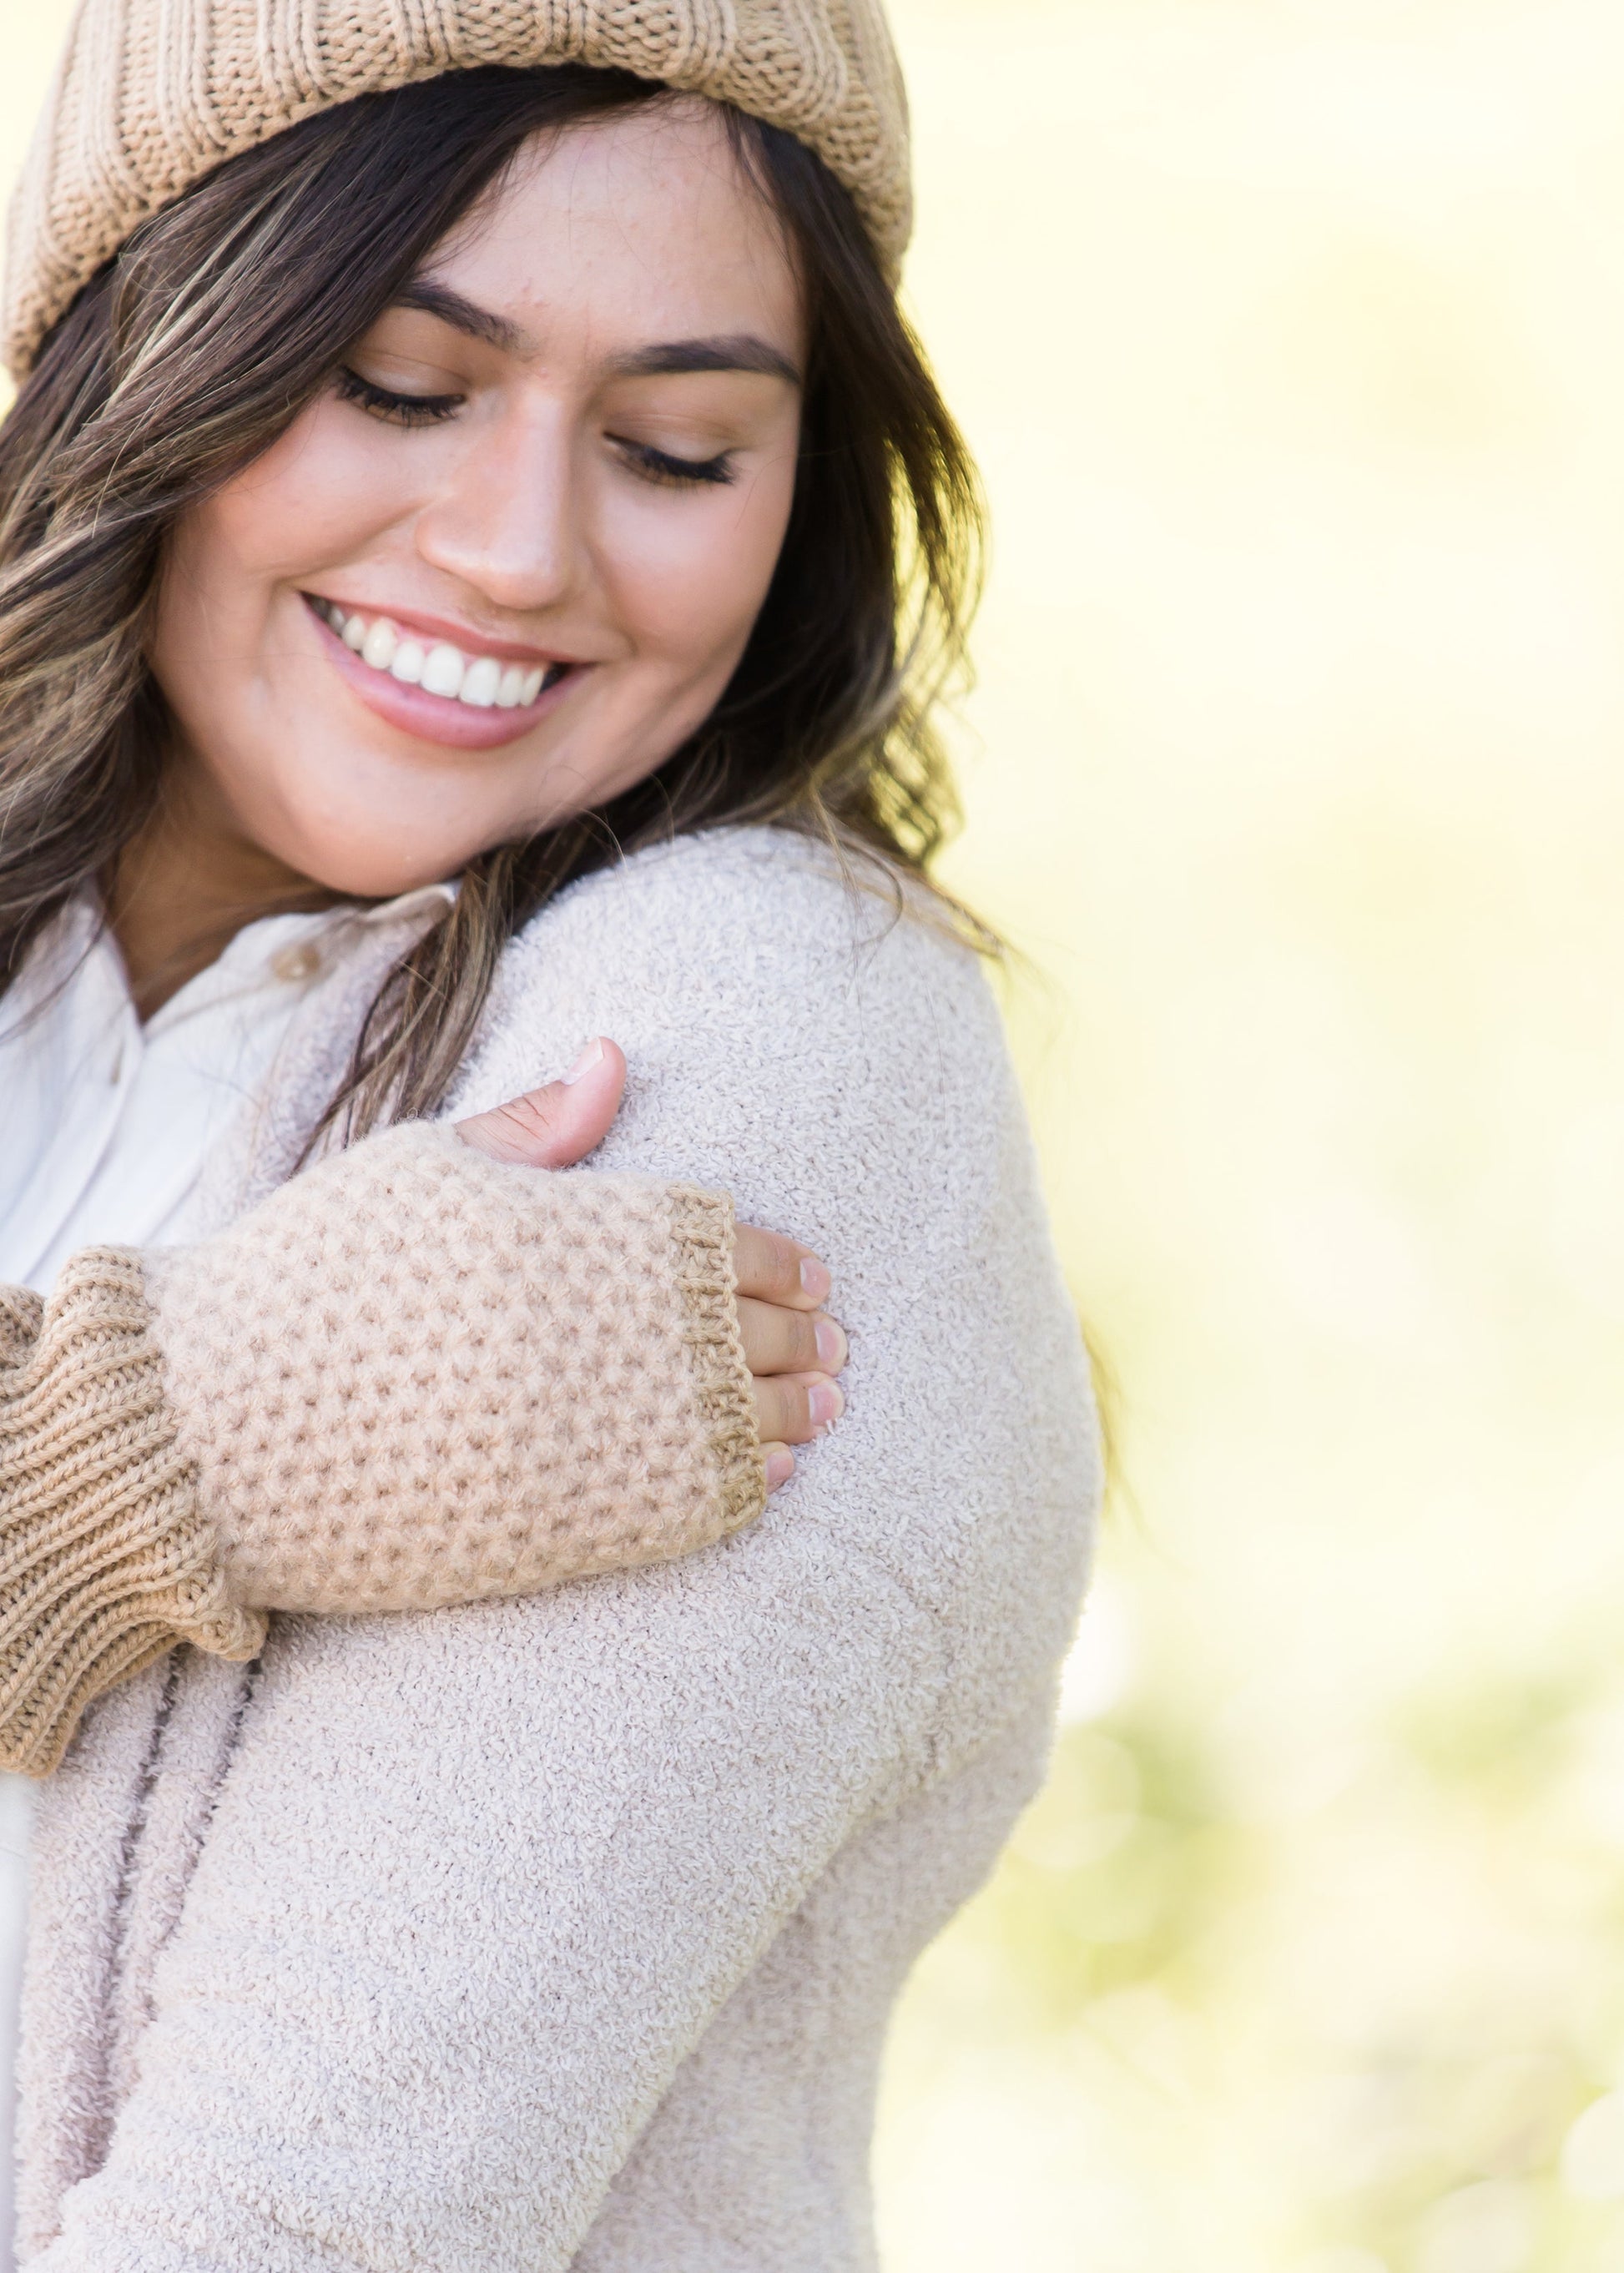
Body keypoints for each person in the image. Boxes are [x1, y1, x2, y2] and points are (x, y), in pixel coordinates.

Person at [0, 4, 1098, 2266]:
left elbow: (304, 2220)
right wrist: (130, 1455)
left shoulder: (745, 1049)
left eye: (679, 446)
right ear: (141, 337)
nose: (512, 550)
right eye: (402, 384)